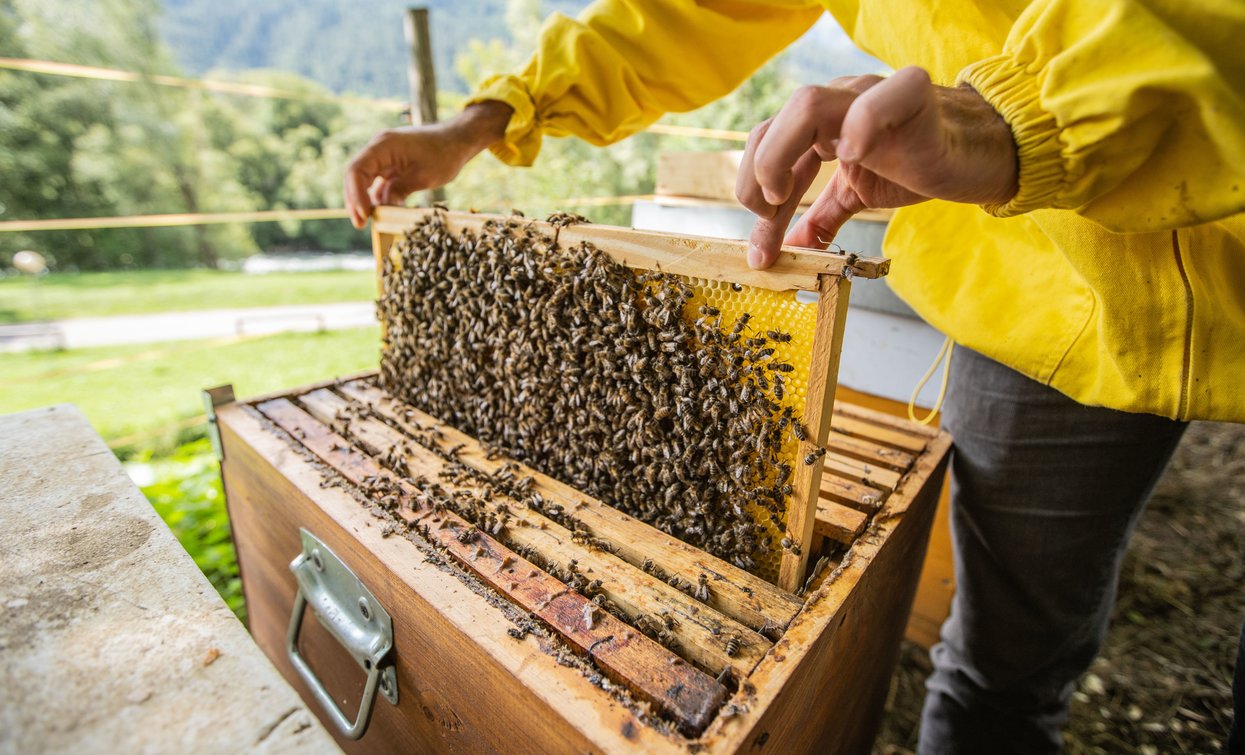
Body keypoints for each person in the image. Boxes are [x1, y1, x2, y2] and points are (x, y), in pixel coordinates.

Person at [345, 1, 1245, 751]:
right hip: (1047, 289)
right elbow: (684, 11)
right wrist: (487, 119)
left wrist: (1021, 117)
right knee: (1001, 666)